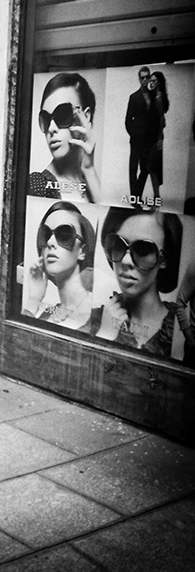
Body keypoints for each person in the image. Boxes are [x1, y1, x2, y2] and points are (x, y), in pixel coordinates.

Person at [93, 207, 182, 358]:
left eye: (143, 248)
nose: (126, 261)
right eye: (118, 244)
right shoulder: (95, 319)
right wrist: (104, 336)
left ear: (164, 258)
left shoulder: (182, 326)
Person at [22, 201, 96, 332]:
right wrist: (34, 299)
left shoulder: (100, 314)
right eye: (45, 235)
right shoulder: (48, 313)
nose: (50, 242)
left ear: (82, 251)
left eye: (64, 235)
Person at [28, 72, 100, 202]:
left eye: (63, 114)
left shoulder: (91, 179)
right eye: (45, 119)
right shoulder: (37, 186)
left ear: (86, 116)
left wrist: (89, 170)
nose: (51, 128)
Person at [125, 66, 154, 198]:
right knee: (133, 168)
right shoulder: (134, 97)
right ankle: (134, 198)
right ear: (139, 79)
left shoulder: (154, 96)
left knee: (145, 169)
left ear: (149, 78)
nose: (144, 80)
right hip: (137, 139)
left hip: (149, 140)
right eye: (142, 77)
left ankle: (137, 195)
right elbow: (128, 120)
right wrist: (134, 134)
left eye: (147, 77)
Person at [143, 71, 169, 201]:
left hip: (155, 138)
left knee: (152, 167)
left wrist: (159, 139)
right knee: (152, 167)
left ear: (159, 82)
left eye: (153, 81)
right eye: (150, 80)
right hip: (152, 137)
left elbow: (162, 121)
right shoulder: (155, 97)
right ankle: (156, 197)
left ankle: (156, 198)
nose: (150, 83)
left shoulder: (158, 98)